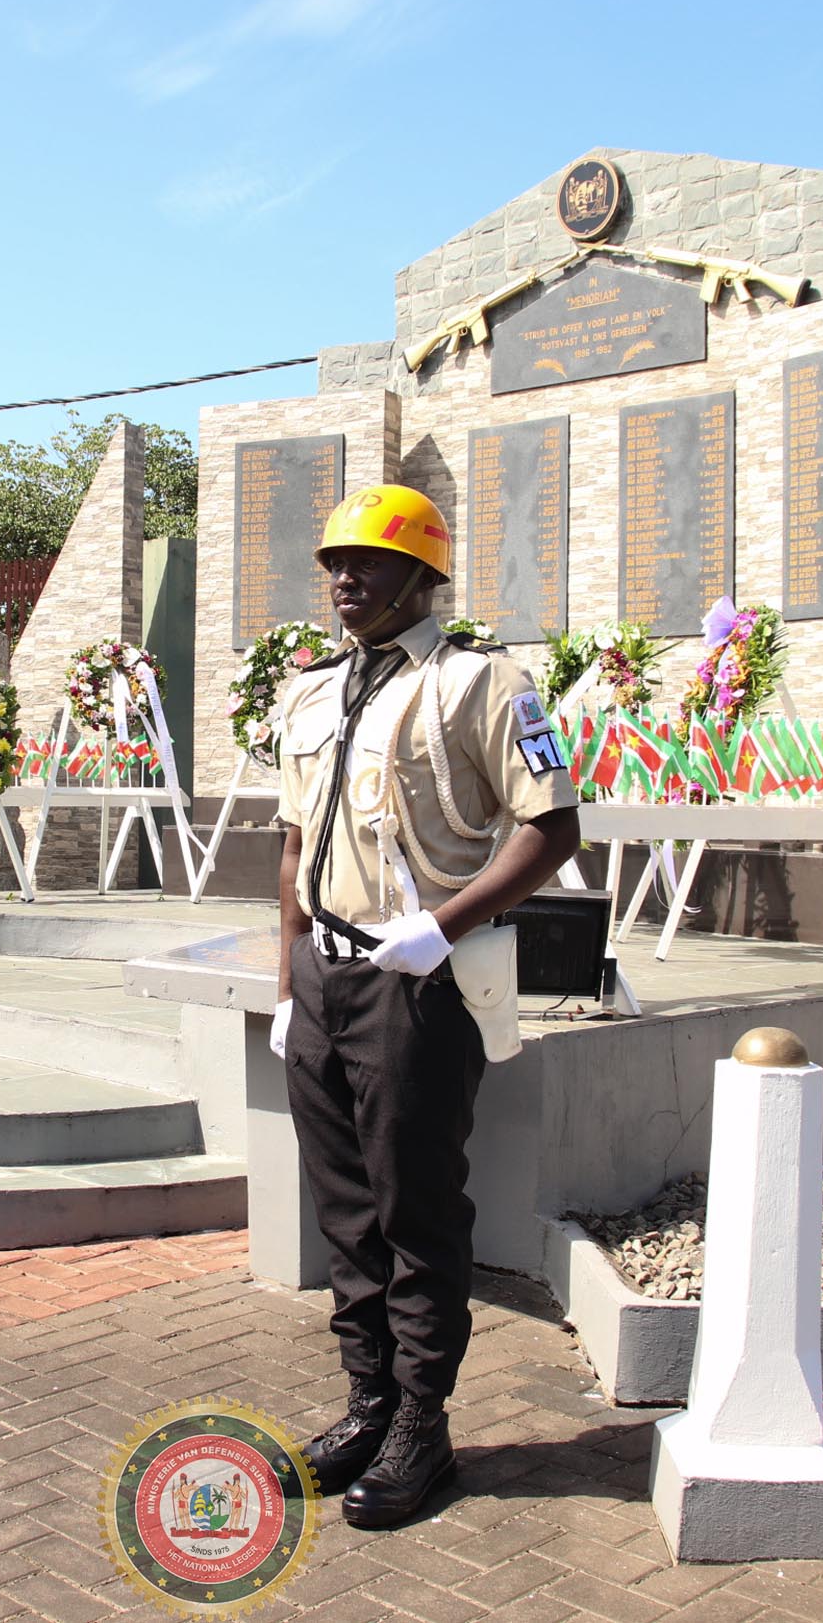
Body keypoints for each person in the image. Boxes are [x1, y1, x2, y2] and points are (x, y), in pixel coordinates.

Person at [272, 484, 581, 1530]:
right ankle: (367, 1404)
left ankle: (422, 1427)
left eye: (370, 561)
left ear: (421, 574)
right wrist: (286, 982)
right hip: (323, 979)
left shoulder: (479, 683)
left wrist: (442, 927)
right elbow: (289, 846)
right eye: (335, 562)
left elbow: (551, 829)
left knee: (414, 1209)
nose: (345, 578)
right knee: (345, 1215)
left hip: (415, 979)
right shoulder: (308, 692)